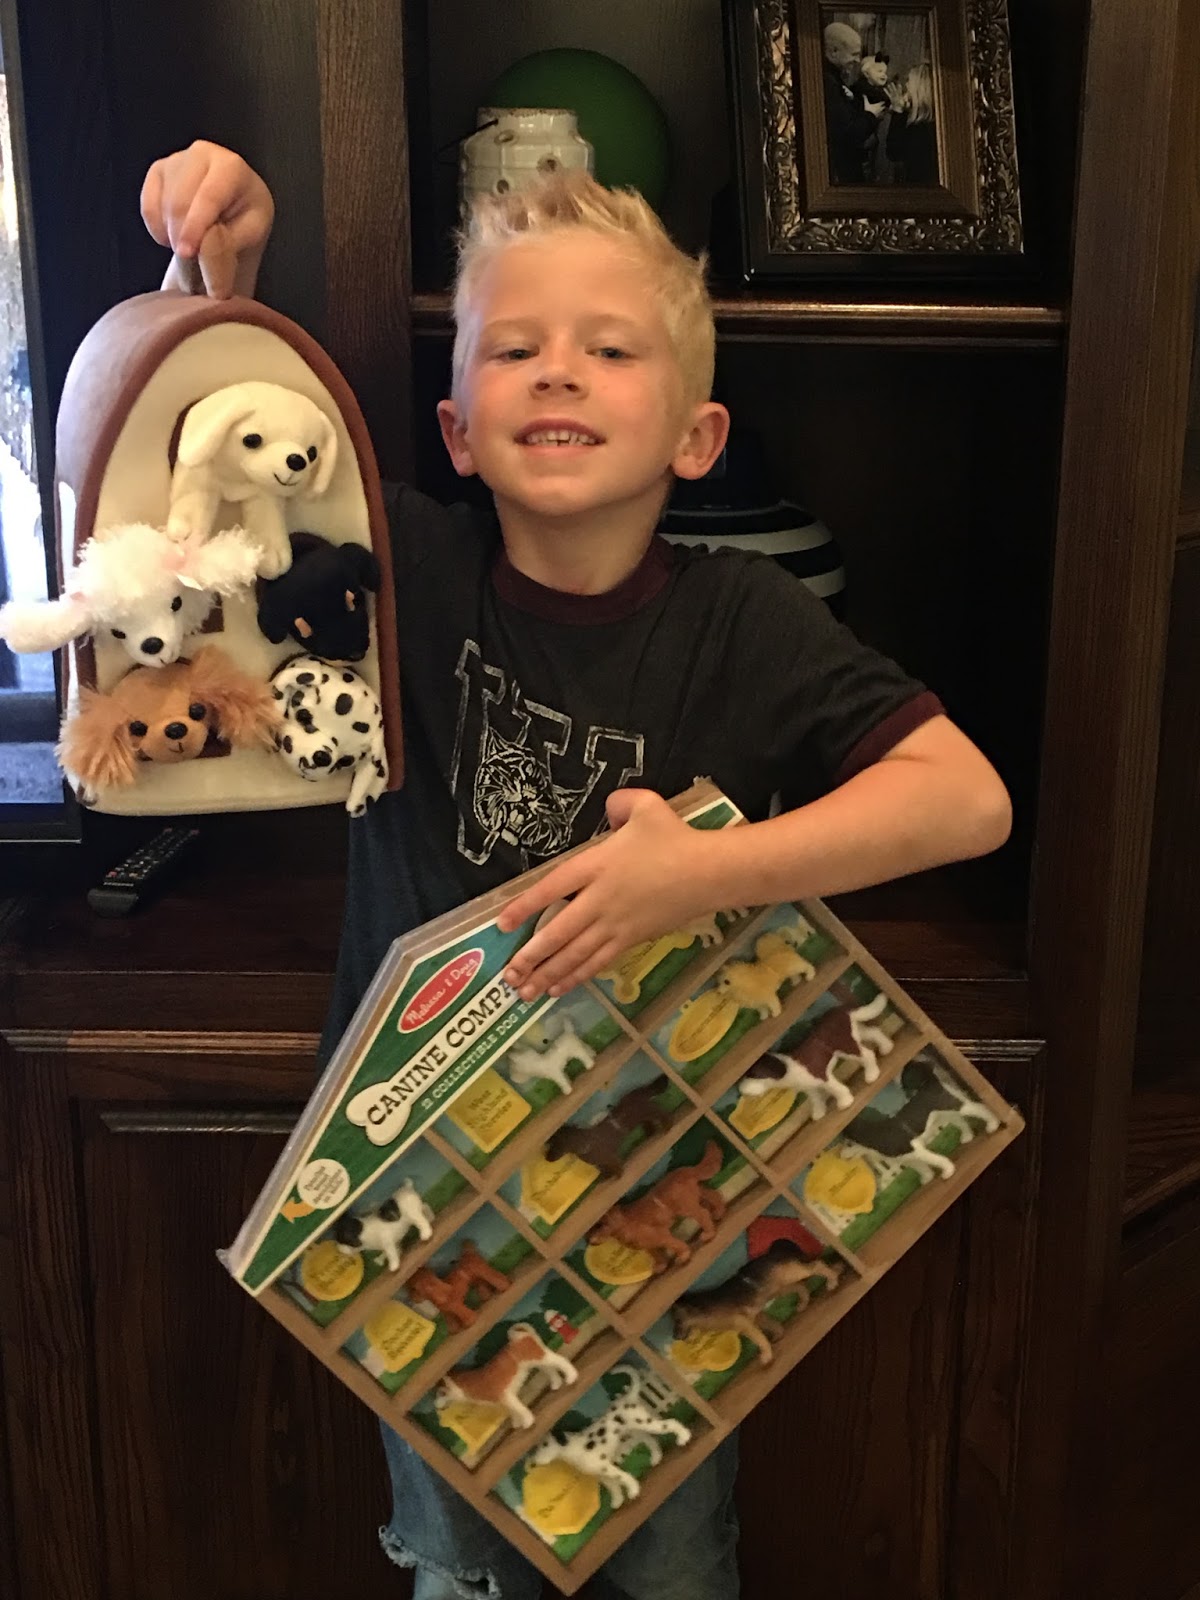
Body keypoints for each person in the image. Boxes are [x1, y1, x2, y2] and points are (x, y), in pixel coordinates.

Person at [141, 139, 1012, 1600]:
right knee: (456, 1569)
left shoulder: (746, 618)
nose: (559, 371)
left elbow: (966, 799)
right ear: (457, 427)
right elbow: (203, 497)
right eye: (515, 349)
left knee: (668, 1567)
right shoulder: (402, 568)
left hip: (661, 1208)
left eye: (610, 349)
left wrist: (704, 875)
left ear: (697, 433)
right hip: (417, 1185)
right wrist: (218, 287)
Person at [822, 21, 884, 184]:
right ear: (834, 52)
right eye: (854, 54)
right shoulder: (828, 83)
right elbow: (848, 134)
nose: (858, 60)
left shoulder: (834, 80)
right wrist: (871, 115)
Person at [886, 62, 940, 185]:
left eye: (908, 80)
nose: (906, 85)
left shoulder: (918, 130)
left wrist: (898, 112)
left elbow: (894, 152)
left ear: (918, 88)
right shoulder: (932, 124)